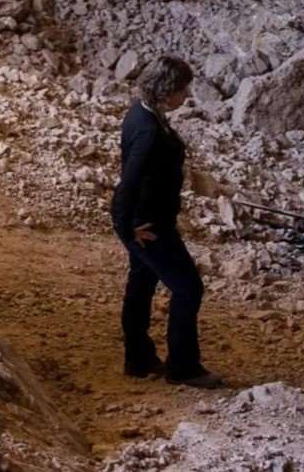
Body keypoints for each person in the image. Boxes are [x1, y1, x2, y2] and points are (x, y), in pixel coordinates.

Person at [111, 55, 222, 388]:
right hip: (150, 226)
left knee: (142, 284)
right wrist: (127, 229)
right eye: (182, 89)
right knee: (188, 288)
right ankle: (183, 367)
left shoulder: (142, 114)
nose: (186, 96)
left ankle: (139, 359)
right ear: (165, 90)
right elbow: (127, 182)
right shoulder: (147, 130)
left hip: (148, 220)